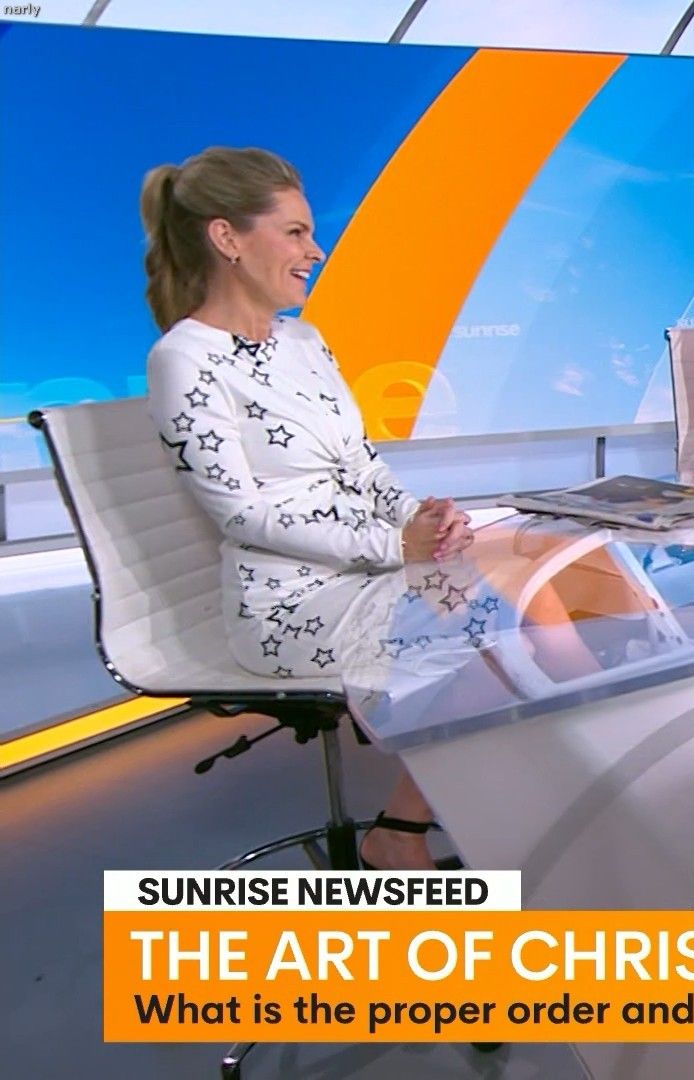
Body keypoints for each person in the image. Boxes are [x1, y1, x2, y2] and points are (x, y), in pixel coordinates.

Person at [141, 147, 485, 871]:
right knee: (486, 622)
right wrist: (397, 546)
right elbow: (240, 514)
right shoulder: (184, 358)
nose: (316, 251)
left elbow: (360, 463)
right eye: (295, 232)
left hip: (368, 572)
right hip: (284, 606)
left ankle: (406, 828)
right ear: (228, 238)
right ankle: (404, 834)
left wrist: (422, 518)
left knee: (513, 585)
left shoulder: (305, 340)